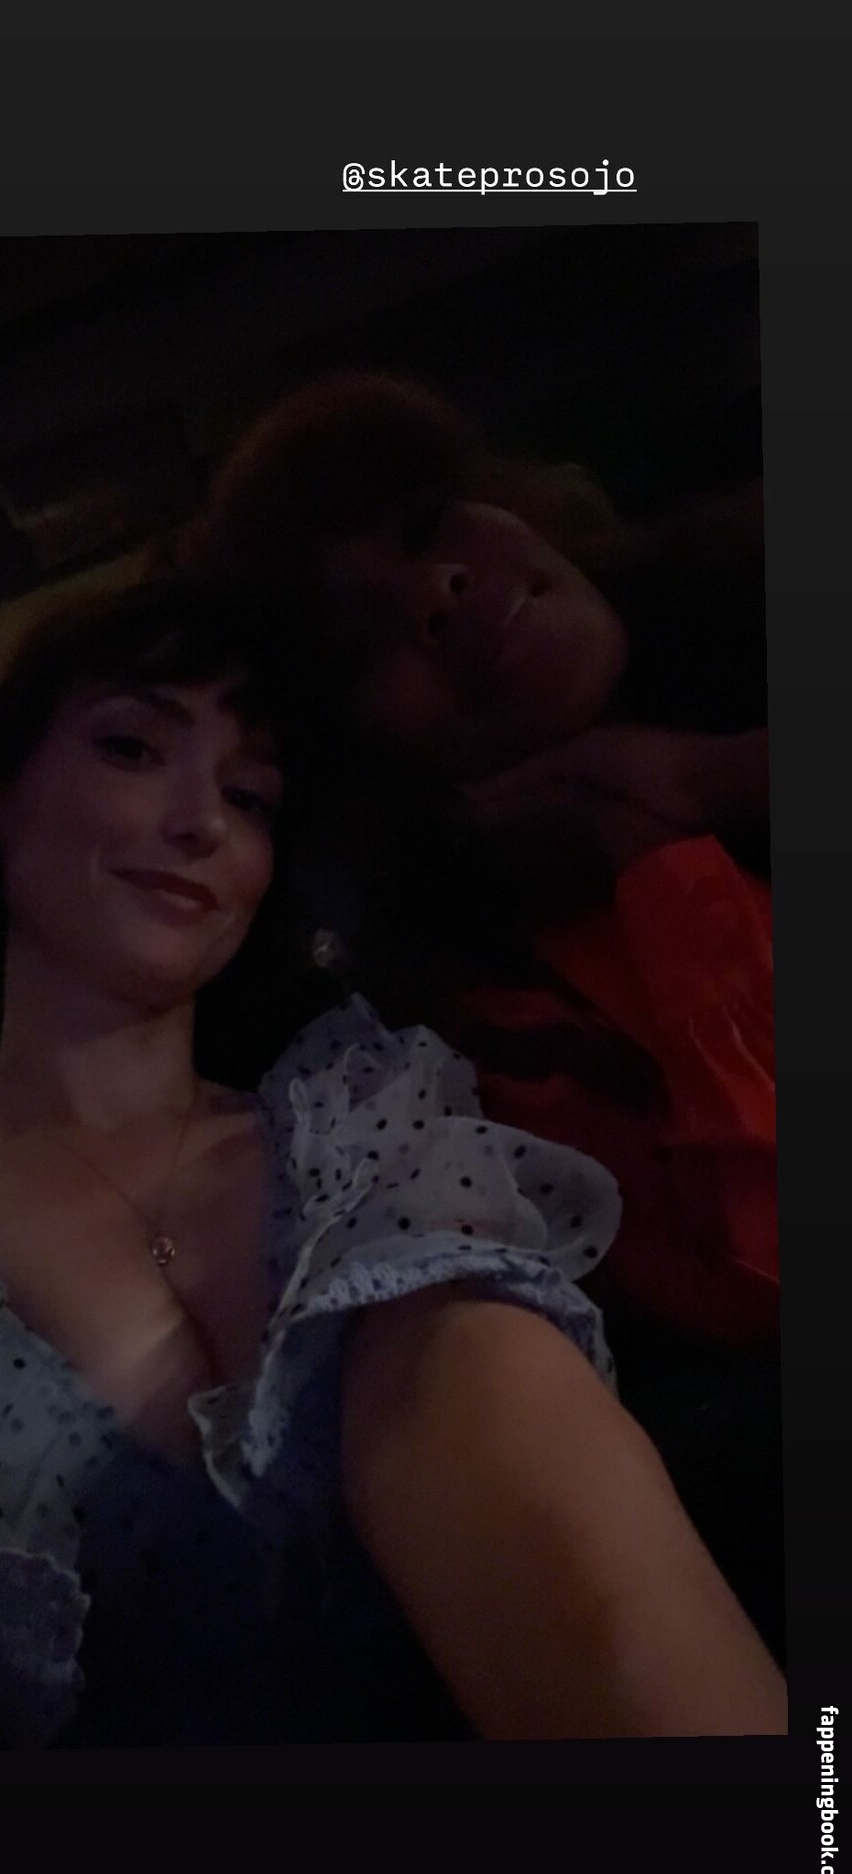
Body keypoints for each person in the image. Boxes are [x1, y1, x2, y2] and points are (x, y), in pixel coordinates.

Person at [0, 575, 785, 1748]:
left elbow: (494, 1427)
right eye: (133, 749)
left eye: (250, 796)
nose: (203, 822)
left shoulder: (361, 1117)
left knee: (462, 1346)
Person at [181, 370, 777, 1353]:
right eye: (359, 644)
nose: (435, 590)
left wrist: (718, 778)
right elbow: (763, 1263)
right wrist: (659, 844)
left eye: (425, 527)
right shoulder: (499, 1014)